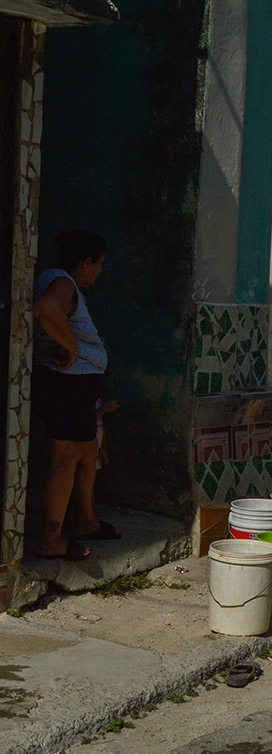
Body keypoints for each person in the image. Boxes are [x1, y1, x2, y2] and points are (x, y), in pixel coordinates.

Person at [31, 230, 122, 561]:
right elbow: (45, 308)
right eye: (99, 265)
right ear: (87, 263)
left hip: (74, 387)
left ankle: (85, 522)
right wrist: (71, 347)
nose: (99, 271)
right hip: (66, 386)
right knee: (63, 460)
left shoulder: (58, 280)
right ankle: (51, 541)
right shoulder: (62, 282)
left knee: (85, 452)